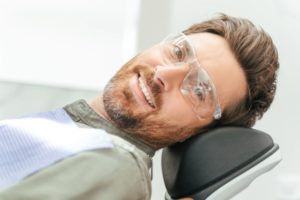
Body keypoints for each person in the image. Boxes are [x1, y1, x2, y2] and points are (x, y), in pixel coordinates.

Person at [0, 13, 279, 200]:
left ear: (196, 134)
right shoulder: (72, 133)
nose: (163, 75)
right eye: (179, 52)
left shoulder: (115, 165)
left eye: (198, 90)